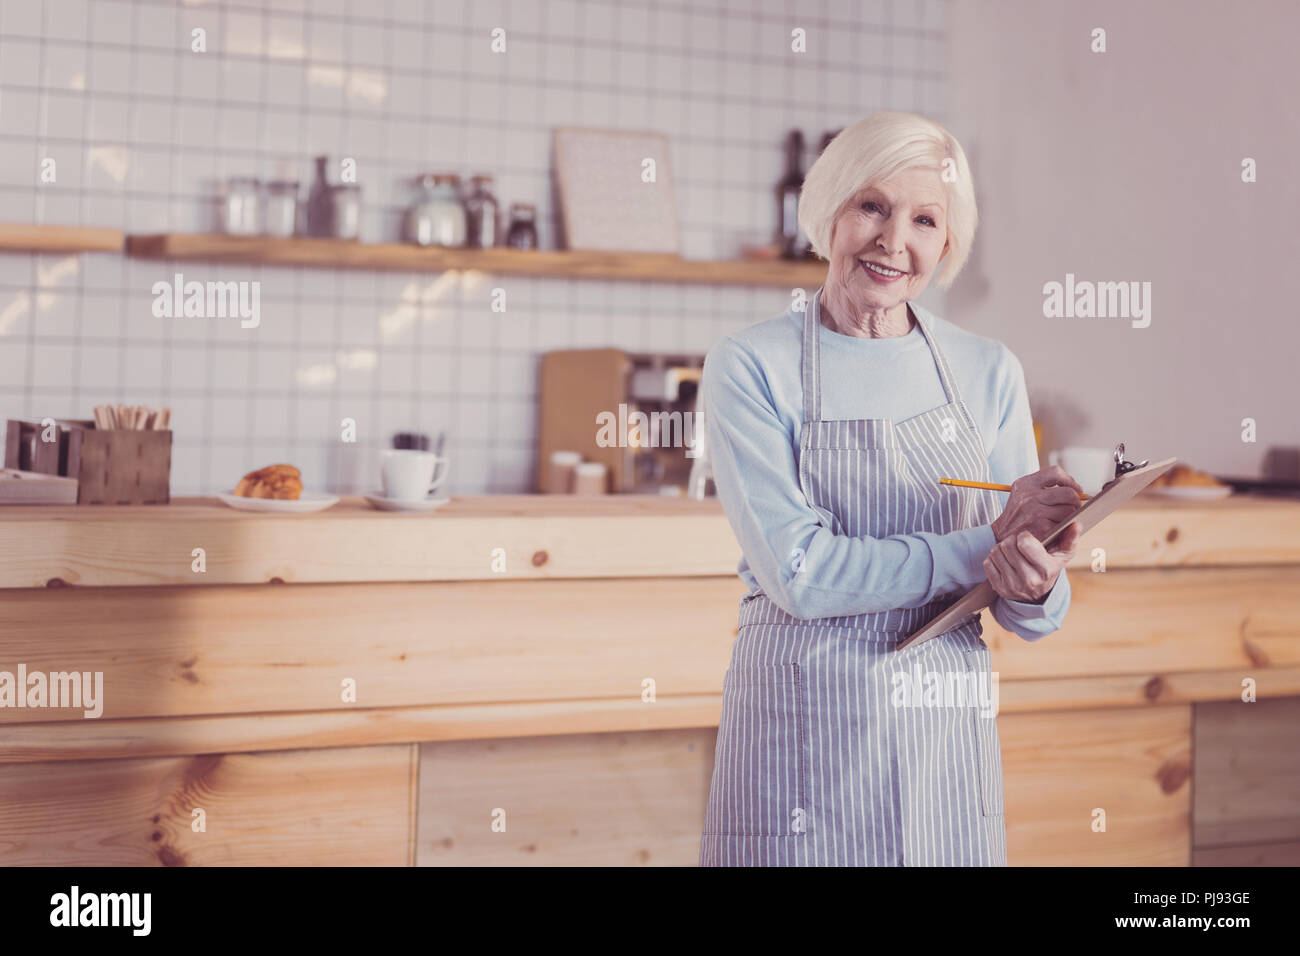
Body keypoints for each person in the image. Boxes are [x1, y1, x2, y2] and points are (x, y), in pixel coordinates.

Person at [698, 111, 1084, 866]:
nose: (893, 240)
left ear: (946, 244)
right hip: (803, 728)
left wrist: (1035, 583)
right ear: (829, 212)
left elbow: (1036, 612)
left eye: (925, 220)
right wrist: (986, 548)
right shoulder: (751, 365)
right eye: (871, 206)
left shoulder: (987, 369)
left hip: (942, 723)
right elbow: (800, 575)